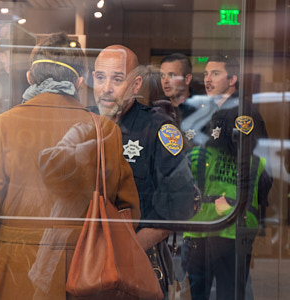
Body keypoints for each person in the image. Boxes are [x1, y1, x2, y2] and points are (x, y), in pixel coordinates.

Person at [0, 33, 140, 300]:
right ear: (80, 82)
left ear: (30, 78)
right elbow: (130, 213)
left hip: (17, 271)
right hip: (86, 274)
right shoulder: (104, 131)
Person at [90, 45, 197, 298]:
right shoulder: (82, 125)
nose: (107, 88)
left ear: (136, 85)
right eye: (101, 78)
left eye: (118, 79)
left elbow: (182, 206)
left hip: (140, 263)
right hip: (85, 265)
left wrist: (126, 250)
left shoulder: (158, 129)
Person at [181, 54, 273, 300]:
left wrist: (237, 205)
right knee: (198, 292)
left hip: (229, 223)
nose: (208, 79)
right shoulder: (206, 112)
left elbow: (253, 166)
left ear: (233, 79)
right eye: (207, 74)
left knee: (228, 293)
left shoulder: (242, 115)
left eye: (216, 74)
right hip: (203, 222)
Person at [160, 53, 195, 125]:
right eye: (162, 75)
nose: (165, 81)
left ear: (187, 79)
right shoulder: (156, 110)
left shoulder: (202, 108)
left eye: (172, 75)